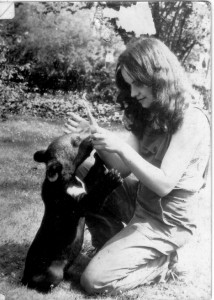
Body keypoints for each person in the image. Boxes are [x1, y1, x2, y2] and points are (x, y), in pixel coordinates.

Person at [64, 37, 210, 295]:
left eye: (139, 84)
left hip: (167, 221)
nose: (133, 93)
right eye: (129, 85)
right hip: (142, 202)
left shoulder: (191, 119)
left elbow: (164, 184)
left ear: (160, 77)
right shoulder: (150, 112)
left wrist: (119, 146)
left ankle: (163, 264)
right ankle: (110, 241)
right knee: (86, 170)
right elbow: (121, 169)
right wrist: (96, 138)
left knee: (93, 281)